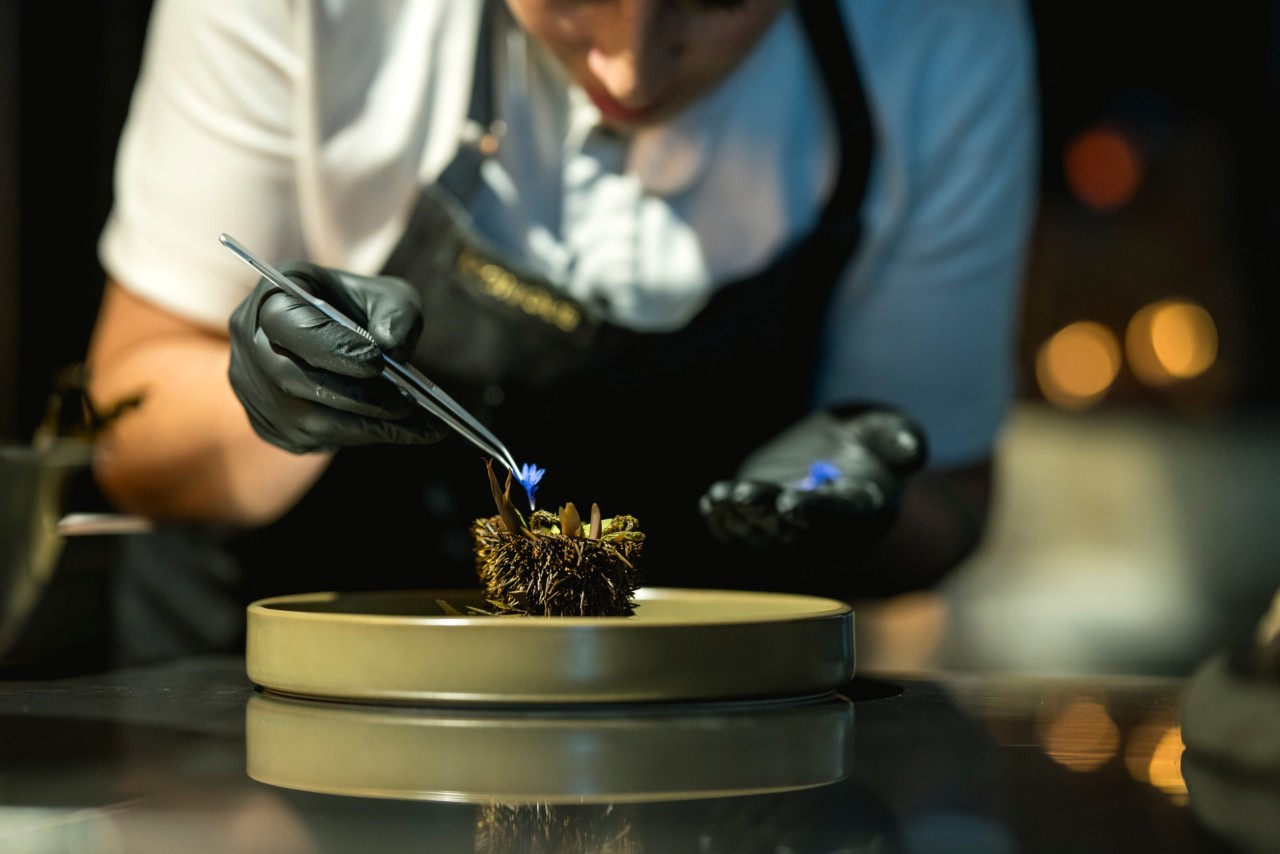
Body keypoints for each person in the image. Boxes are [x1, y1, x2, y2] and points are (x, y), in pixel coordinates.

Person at [83, 0, 1039, 659]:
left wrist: (852, 511)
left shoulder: (937, 35)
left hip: (702, 766)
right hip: (265, 737)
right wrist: (269, 413)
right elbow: (129, 429)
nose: (631, 65)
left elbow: (950, 505)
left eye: (714, 1)